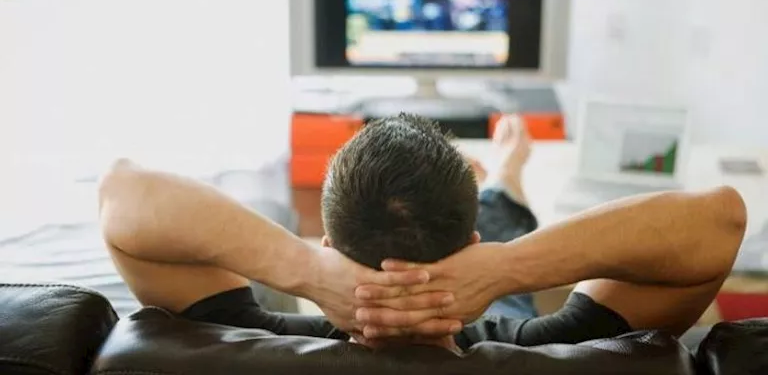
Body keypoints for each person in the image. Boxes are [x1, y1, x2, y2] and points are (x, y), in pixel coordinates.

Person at [100, 114, 747, 353]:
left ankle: (501, 179)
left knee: (498, 220)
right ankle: (505, 176)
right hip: (498, 303)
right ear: (472, 249)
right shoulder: (556, 350)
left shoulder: (251, 346)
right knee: (506, 224)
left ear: (329, 245)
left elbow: (122, 192)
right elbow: (718, 220)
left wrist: (304, 270)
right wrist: (507, 269)